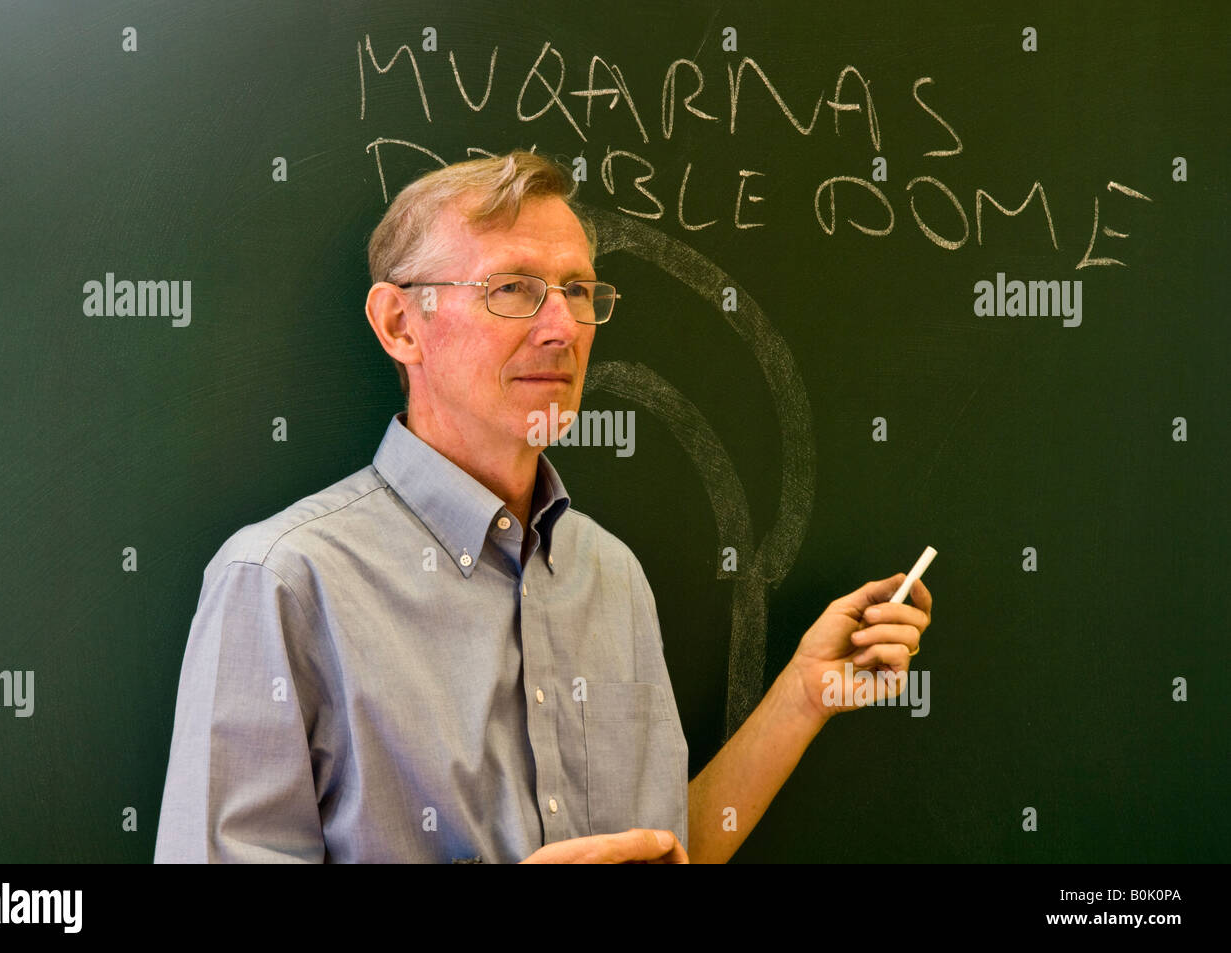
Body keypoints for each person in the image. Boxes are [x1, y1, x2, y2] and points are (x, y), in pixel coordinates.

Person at [153, 150, 932, 864]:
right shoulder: (283, 580)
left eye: (580, 292)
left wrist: (801, 694)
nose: (564, 328)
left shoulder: (610, 574)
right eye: (514, 289)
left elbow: (668, 849)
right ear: (400, 325)